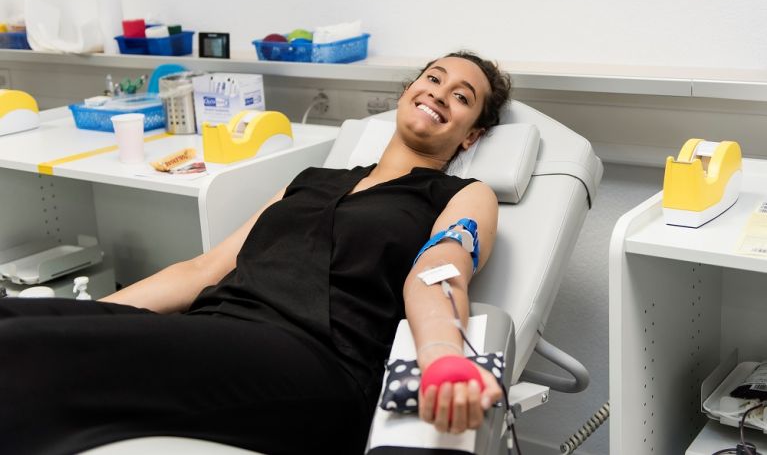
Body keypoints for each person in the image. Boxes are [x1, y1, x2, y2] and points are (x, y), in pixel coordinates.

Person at [0, 51, 513, 454]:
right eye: (433, 78)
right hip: (214, 330)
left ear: (472, 133)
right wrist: (87, 317)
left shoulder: (460, 194)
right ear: (408, 91)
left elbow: (438, 269)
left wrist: (442, 354)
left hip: (316, 362)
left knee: (24, 356)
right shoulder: (313, 180)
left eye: (462, 95)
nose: (439, 93)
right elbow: (202, 269)